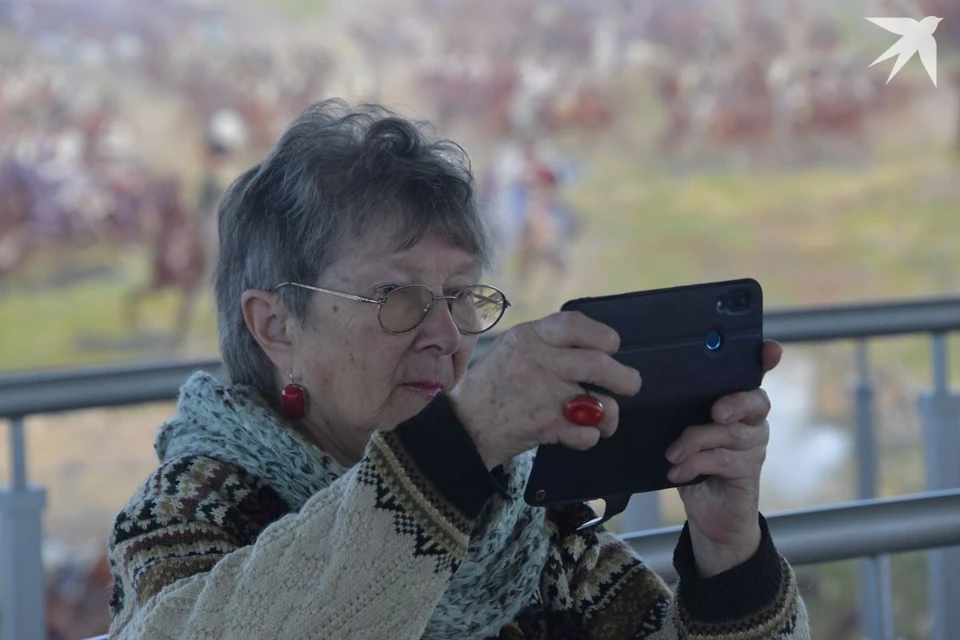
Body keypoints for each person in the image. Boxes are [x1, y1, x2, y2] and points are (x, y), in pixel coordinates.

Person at [106, 99, 810, 639]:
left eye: (462, 296)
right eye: (397, 296)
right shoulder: (195, 508)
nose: (445, 336)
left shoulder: (523, 523)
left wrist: (729, 553)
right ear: (275, 325)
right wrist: (457, 446)